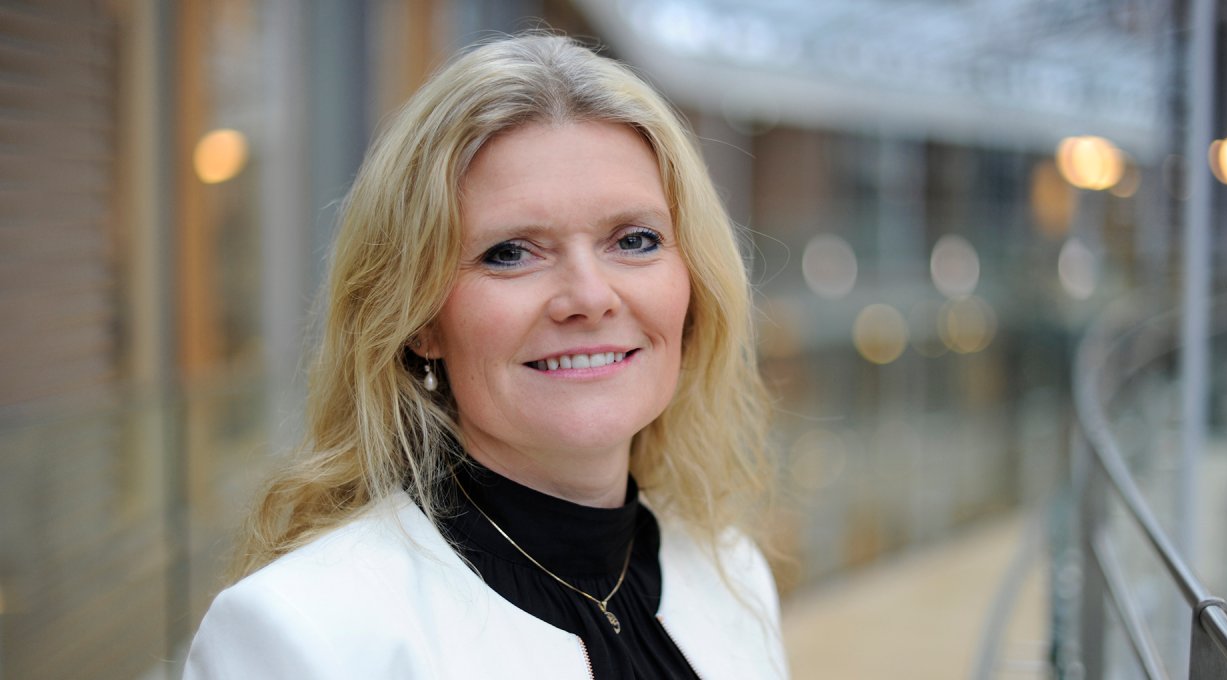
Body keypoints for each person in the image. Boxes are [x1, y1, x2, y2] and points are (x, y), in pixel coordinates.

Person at [184, 33, 786, 679]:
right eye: (510, 252)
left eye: (634, 240)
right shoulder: (305, 632)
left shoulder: (732, 574)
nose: (588, 296)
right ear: (419, 321)